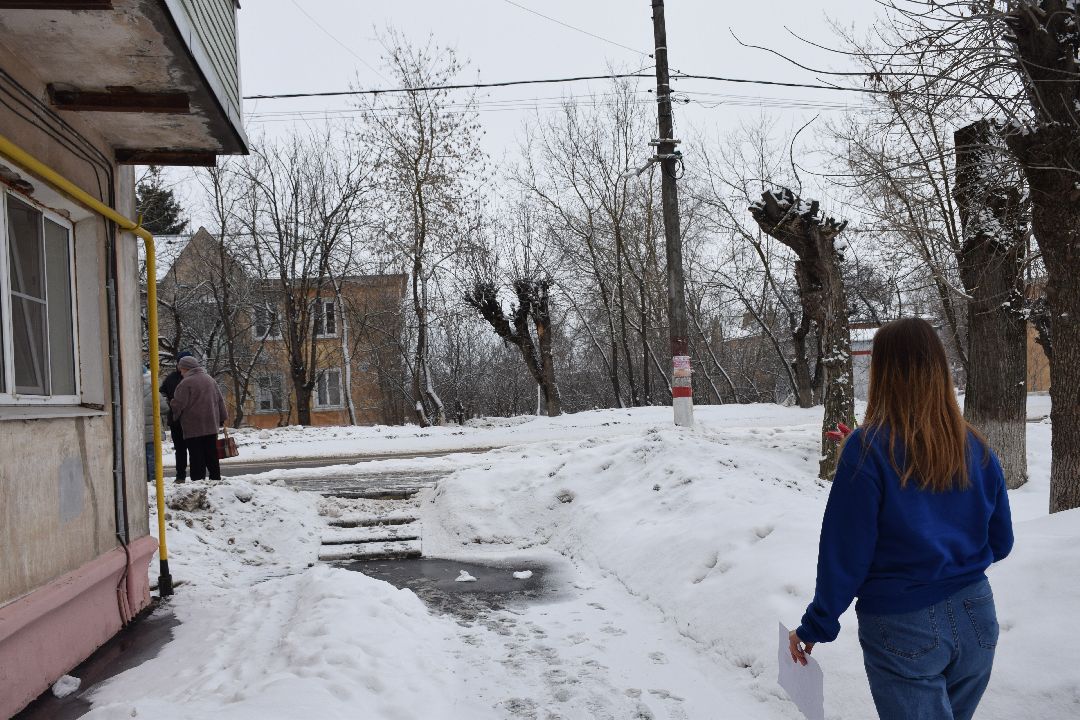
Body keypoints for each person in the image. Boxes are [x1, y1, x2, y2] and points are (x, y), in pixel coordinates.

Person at [788, 317, 1013, 720]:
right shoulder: (975, 445)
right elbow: (1001, 542)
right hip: (977, 615)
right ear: (939, 368)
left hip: (903, 625)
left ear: (883, 373)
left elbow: (846, 554)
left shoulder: (868, 448)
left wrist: (815, 626)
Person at [169, 355, 227, 483]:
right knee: (211, 454)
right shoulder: (210, 379)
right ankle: (215, 478)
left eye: (182, 369)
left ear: (186, 368)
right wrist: (222, 417)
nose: (181, 372)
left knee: (196, 456)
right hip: (211, 425)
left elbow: (179, 404)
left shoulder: (185, 383)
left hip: (193, 426)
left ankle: (198, 481)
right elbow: (219, 400)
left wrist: (173, 411)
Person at [160, 351, 193, 482]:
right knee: (180, 450)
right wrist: (169, 405)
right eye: (180, 363)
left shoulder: (194, 378)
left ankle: (197, 476)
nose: (181, 366)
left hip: (192, 421)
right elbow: (161, 393)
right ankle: (180, 475)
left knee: (194, 449)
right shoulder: (171, 378)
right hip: (176, 421)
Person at [142, 368, 167, 483]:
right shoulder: (153, 392)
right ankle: (154, 481)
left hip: (138, 433)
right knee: (153, 458)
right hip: (153, 431)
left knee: (143, 459)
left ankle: (146, 481)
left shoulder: (130, 390)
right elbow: (165, 408)